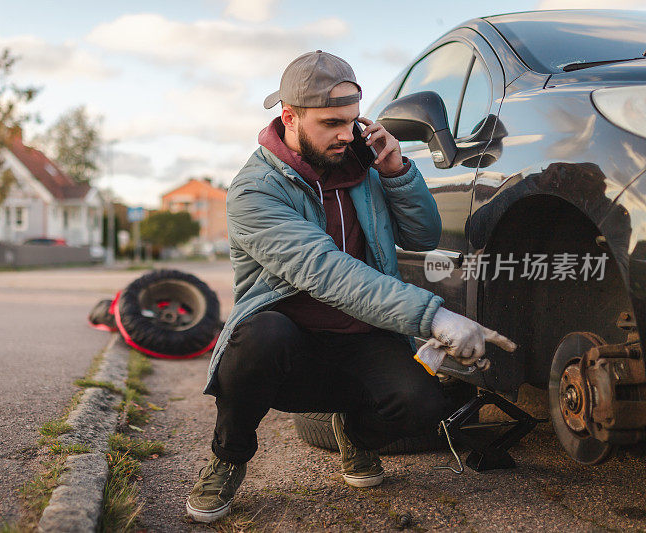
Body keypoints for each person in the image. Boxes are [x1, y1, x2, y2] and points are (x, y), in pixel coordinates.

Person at [185, 50, 515, 524]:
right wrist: (435, 317)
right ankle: (228, 458)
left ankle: (355, 435)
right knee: (259, 339)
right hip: (288, 342)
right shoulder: (255, 190)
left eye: (353, 120)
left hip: (363, 334)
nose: (346, 133)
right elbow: (327, 271)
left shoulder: (362, 165)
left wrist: (398, 171)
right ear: (290, 117)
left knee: (423, 402)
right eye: (331, 123)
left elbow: (421, 238)